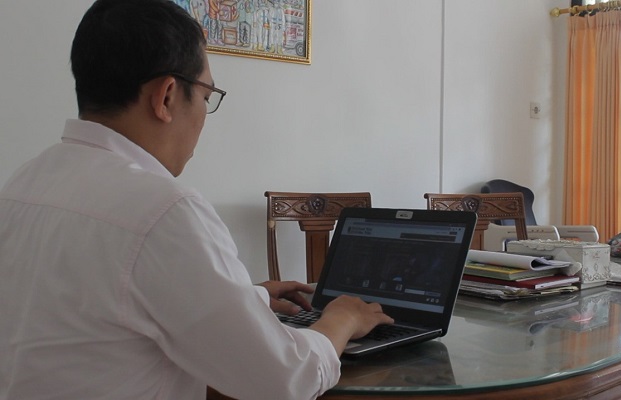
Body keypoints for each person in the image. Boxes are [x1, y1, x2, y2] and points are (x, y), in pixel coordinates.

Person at [0, 1, 393, 399]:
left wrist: (244, 300)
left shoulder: (23, 184)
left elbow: (95, 313)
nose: (205, 114)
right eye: (207, 96)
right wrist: (341, 319)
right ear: (166, 96)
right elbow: (283, 380)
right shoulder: (162, 211)